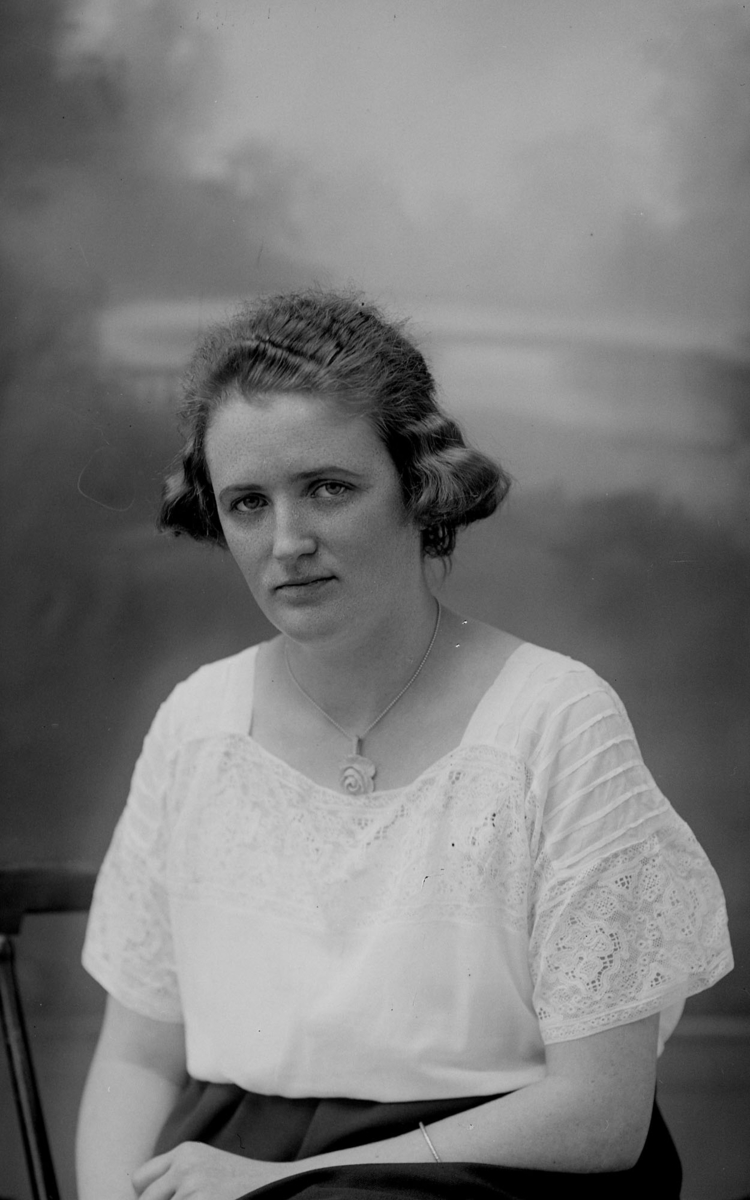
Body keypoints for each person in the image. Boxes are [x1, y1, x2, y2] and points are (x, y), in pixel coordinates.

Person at [76, 290, 733, 1200]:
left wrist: (284, 1181)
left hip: (485, 1173)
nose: (288, 541)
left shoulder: (553, 719)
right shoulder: (198, 725)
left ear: (418, 488)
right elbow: (136, 1060)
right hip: (222, 1170)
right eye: (248, 503)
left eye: (328, 488)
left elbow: (601, 1113)